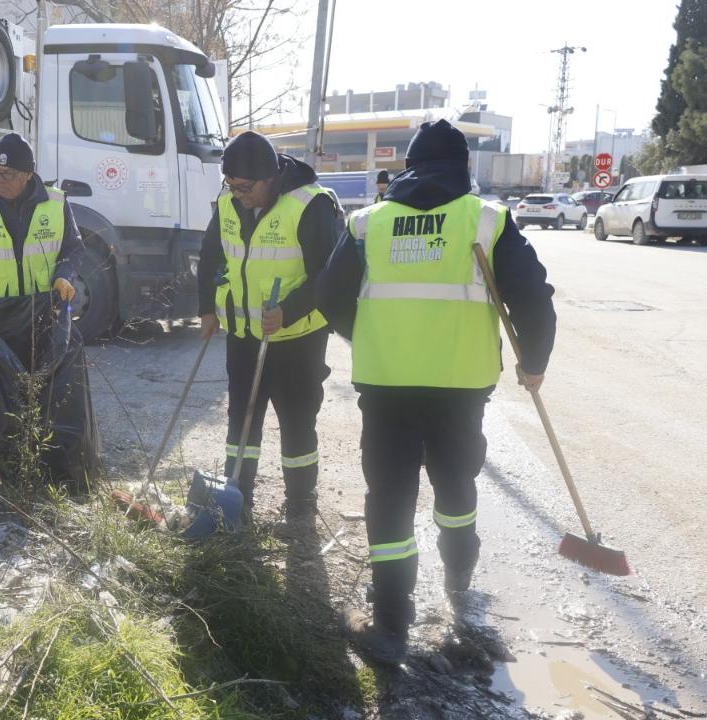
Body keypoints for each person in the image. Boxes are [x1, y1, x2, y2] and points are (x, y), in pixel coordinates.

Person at [316, 120, 557, 664]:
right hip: (460, 387)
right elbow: (533, 296)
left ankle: (391, 622)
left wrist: (367, 333)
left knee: (391, 497)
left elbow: (329, 293)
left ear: (408, 166)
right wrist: (534, 361)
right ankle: (459, 587)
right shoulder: (487, 220)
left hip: (387, 385)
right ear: (463, 167)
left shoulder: (368, 223)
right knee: (454, 487)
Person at [197, 130, 339, 524]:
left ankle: (299, 504)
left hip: (296, 339)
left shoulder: (310, 205)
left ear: (270, 177)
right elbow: (211, 255)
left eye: (244, 187)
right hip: (243, 335)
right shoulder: (229, 203)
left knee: (296, 422)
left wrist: (289, 310)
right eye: (231, 186)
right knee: (242, 418)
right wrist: (207, 308)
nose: (238, 194)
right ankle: (235, 499)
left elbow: (330, 276)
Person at [0, 133, 85, 478]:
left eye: (7, 174)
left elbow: (73, 248)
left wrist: (65, 274)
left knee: (43, 386)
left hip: (42, 312)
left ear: (28, 174)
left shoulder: (56, 203)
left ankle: (42, 455)